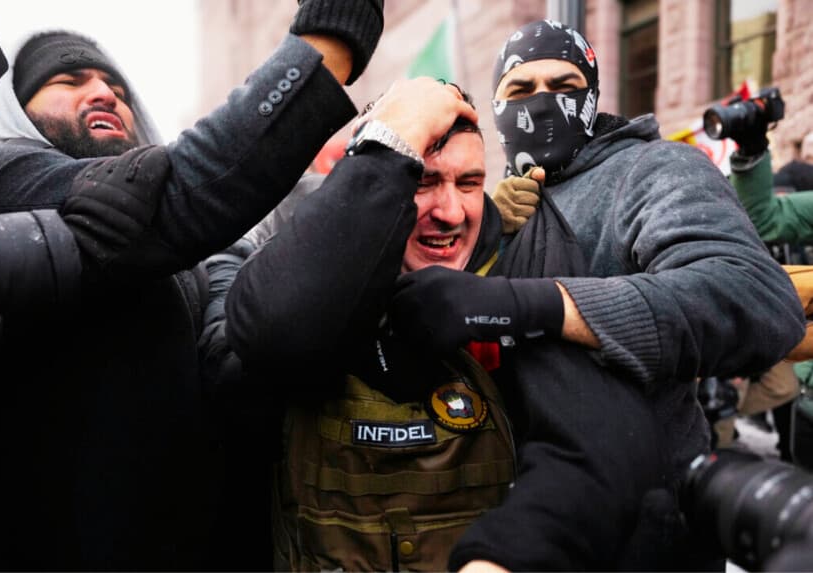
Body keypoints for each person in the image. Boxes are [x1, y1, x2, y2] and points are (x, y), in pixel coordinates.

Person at [0, 2, 384, 569]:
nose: (104, 93)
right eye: (68, 81)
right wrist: (333, 41)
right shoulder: (7, 174)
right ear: (14, 111)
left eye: (116, 86)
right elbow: (181, 195)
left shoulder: (189, 252)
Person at [387, 20, 805, 570]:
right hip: (508, 522)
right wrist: (492, 226)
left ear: (593, 96)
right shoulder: (498, 202)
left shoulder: (652, 170)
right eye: (519, 89)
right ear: (496, 107)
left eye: (563, 86)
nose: (541, 103)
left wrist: (544, 304)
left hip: (644, 528)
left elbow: (754, 297)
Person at [222, 78, 679, 571]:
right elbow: (266, 335)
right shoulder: (295, 266)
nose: (451, 212)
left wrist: (502, 556)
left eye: (469, 184)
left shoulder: (519, 269)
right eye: (423, 182)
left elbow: (600, 441)